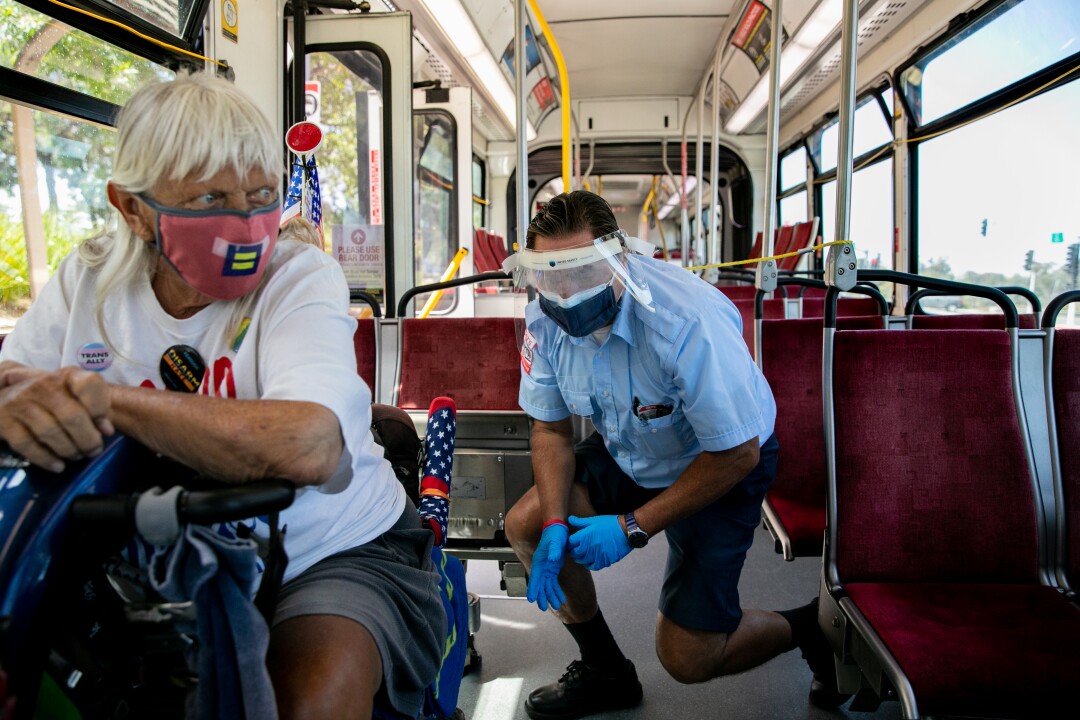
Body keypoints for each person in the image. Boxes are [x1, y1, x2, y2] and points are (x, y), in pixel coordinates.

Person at [0, 72, 444, 720]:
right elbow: (16, 382)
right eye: (211, 199)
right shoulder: (88, 278)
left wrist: (110, 401)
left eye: (261, 194)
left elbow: (308, 444)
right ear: (132, 208)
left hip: (328, 549)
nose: (245, 223)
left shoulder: (298, 274)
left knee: (306, 702)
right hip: (142, 553)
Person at [503, 190, 848, 720]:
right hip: (631, 442)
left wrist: (631, 527)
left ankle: (810, 628)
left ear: (620, 260)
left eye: (583, 273)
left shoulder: (686, 319)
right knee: (526, 524)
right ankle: (605, 672)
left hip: (718, 459)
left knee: (689, 657)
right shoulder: (544, 321)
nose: (567, 294)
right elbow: (550, 428)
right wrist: (554, 520)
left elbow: (738, 452)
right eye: (551, 276)